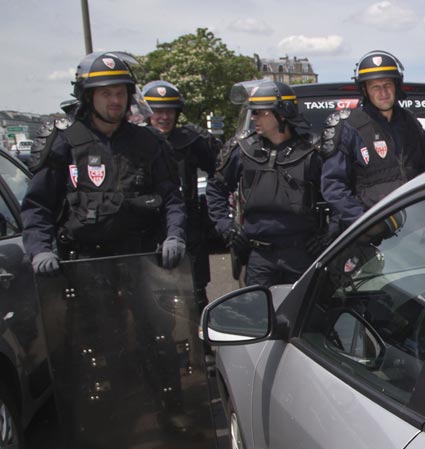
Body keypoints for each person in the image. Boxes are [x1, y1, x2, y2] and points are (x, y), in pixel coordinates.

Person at [22, 51, 186, 274]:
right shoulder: (63, 142)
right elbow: (38, 204)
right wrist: (40, 249)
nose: (116, 100)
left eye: (120, 93)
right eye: (106, 93)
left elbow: (171, 199)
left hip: (143, 265)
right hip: (82, 268)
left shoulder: (149, 142)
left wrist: (174, 235)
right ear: (89, 96)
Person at [206, 79, 327, 287]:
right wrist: (227, 228)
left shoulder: (312, 152)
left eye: (260, 112)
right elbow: (216, 188)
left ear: (282, 113)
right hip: (259, 257)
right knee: (259, 315)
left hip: (303, 254)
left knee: (304, 316)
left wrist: (328, 235)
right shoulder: (242, 150)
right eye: (252, 113)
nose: (254, 118)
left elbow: (336, 195)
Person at [319, 50, 425, 236]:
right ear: (364, 90)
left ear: (397, 86)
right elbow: (334, 185)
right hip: (371, 230)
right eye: (375, 87)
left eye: (387, 85)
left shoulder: (410, 123)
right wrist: (363, 223)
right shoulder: (350, 126)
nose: (383, 92)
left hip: (414, 226)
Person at [142, 80, 221, 309]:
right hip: (149, 225)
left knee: (194, 296)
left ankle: (201, 344)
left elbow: (220, 172)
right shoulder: (138, 141)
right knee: (152, 296)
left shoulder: (191, 140)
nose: (163, 116)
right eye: (157, 111)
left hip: (189, 225)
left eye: (168, 110)